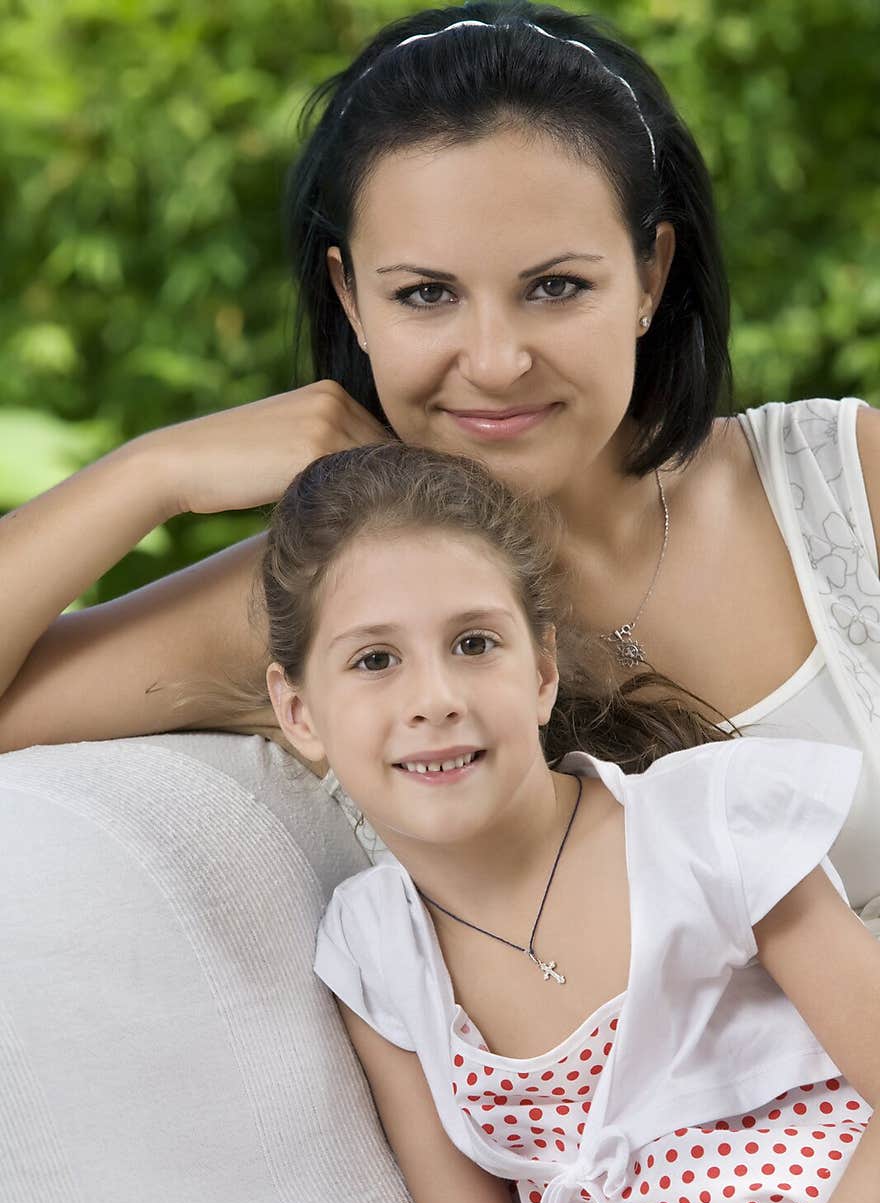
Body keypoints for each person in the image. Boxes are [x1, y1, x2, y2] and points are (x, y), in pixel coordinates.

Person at [0, 2, 877, 918]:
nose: (496, 362)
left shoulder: (842, 481)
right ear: (349, 294)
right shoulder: (329, 598)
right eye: (426, 294)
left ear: (651, 274)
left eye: (557, 286)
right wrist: (153, 473)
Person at [260, 438, 879, 1203]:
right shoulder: (376, 952)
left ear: (542, 672)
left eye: (474, 643)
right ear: (298, 712)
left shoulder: (701, 823)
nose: (434, 697)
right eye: (374, 660)